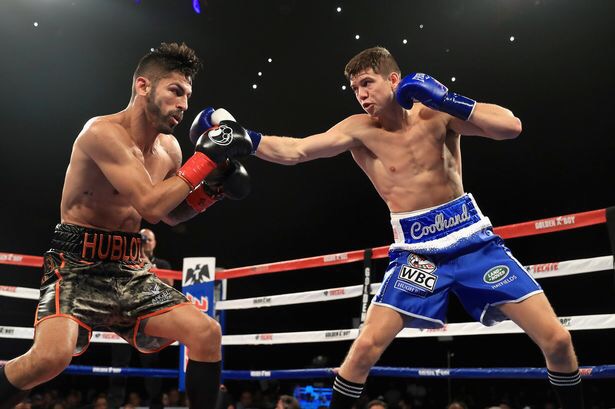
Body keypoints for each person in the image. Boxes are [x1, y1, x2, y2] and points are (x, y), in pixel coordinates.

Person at [199, 46, 584, 408]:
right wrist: (248, 139)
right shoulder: (359, 130)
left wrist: (448, 98)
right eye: (355, 89)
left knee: (557, 339)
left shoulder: (436, 113)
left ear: (394, 79)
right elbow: (296, 151)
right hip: (416, 253)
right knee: (364, 350)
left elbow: (510, 126)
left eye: (367, 83)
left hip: (472, 241)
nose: (361, 95)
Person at [0, 42, 253, 409]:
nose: (184, 104)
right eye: (176, 90)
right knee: (50, 358)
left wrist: (212, 191)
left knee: (206, 333)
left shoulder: (169, 149)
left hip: (130, 266)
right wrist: (206, 158)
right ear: (143, 86)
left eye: (188, 95)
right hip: (77, 265)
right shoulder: (101, 133)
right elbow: (150, 204)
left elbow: (170, 213)